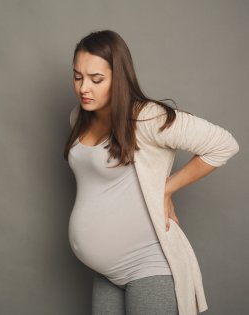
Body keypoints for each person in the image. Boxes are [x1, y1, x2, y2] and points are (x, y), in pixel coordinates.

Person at [63, 30, 239, 315]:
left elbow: (223, 144)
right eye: (77, 76)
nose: (84, 88)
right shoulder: (79, 118)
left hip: (148, 267)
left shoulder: (144, 118)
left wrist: (167, 187)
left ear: (118, 78)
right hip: (107, 274)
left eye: (96, 79)